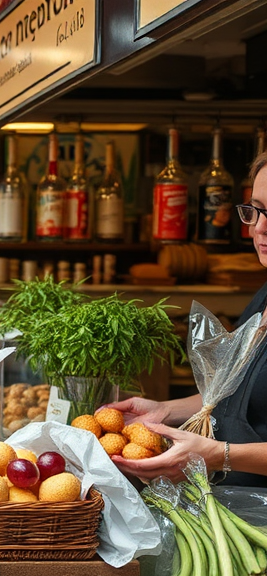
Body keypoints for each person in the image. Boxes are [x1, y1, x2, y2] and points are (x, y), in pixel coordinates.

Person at [106, 152, 267, 487]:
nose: (260, 227)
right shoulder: (265, 295)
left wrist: (219, 454)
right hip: (233, 510)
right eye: (257, 210)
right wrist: (166, 410)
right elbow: (237, 395)